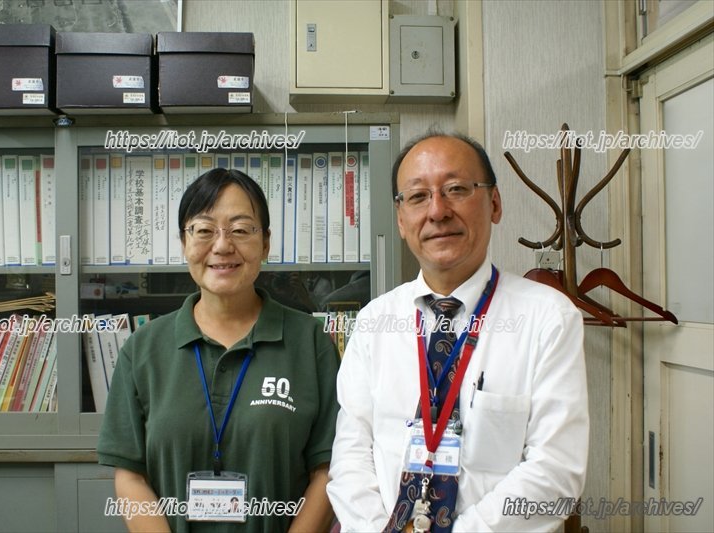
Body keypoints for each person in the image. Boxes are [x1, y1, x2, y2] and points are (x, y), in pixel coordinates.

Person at [327, 132, 589, 531]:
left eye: (456, 189)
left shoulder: (549, 318)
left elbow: (556, 471)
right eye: (417, 196)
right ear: (400, 219)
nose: (437, 211)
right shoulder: (373, 322)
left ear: (495, 203)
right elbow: (350, 454)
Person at [98, 168, 340, 533]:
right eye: (204, 229)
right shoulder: (144, 349)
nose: (223, 245)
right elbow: (130, 475)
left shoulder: (310, 342)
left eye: (241, 229)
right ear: (184, 242)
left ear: (266, 243)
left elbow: (328, 470)